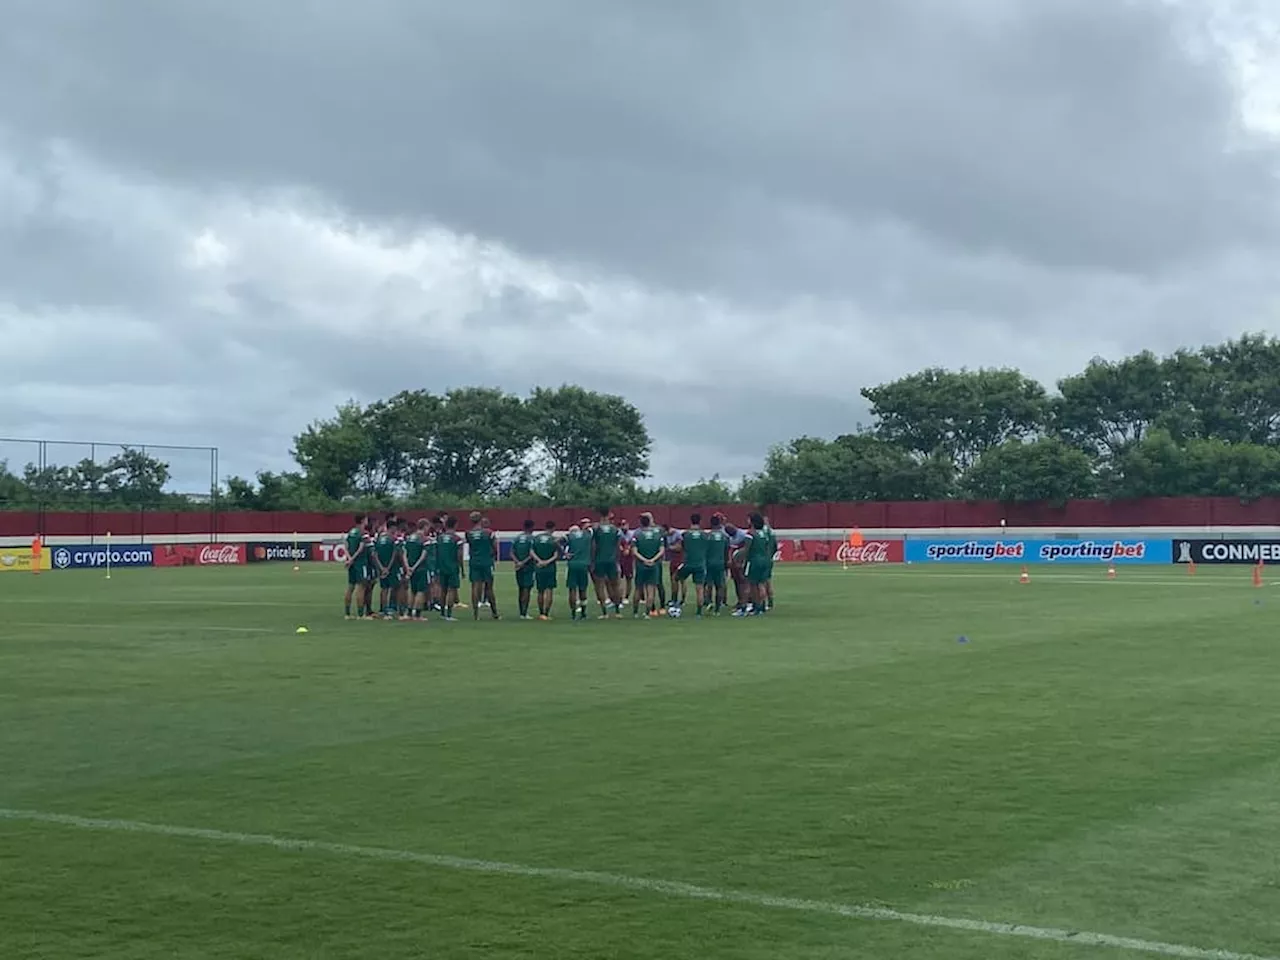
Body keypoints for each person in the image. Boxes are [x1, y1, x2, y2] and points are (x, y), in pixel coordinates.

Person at [739, 512, 776, 616]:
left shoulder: (750, 534)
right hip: (765, 560)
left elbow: (747, 550)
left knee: (751, 585)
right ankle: (762, 606)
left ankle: (753, 607)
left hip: (754, 561)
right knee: (762, 584)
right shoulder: (764, 533)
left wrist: (740, 559)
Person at [465, 511, 500, 620]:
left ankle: (476, 614)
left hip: (474, 561)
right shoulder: (489, 532)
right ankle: (494, 613)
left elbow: (471, 547)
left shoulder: (468, 533)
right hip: (486, 561)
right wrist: (493, 555)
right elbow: (495, 547)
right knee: (489, 587)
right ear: (481, 519)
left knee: (475, 586)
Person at [630, 512, 665, 617]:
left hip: (641, 565)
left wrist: (644, 560)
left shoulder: (637, 534)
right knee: (651, 590)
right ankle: (647, 613)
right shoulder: (657, 534)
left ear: (641, 523)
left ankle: (635, 613)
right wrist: (652, 560)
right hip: (654, 565)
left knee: (638, 588)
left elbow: (634, 551)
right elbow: (662, 550)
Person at [590, 508, 623, 618]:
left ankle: (604, 613)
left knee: (600, 586)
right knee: (615, 585)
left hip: (599, 560)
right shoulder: (615, 529)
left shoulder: (596, 529)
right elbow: (618, 546)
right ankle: (617, 611)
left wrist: (593, 560)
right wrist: (617, 559)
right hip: (612, 560)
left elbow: (594, 546)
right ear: (609, 515)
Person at [675, 512, 709, 617]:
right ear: (700, 521)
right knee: (699, 589)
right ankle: (699, 612)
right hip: (700, 564)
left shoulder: (686, 534)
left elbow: (680, 547)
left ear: (690, 521)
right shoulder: (705, 534)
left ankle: (677, 601)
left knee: (676, 578)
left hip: (688, 563)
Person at [435, 515, 463, 621]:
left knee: (443, 590)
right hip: (452, 567)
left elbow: (436, 552)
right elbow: (459, 555)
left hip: (441, 567)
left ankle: (442, 613)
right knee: (452, 590)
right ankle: (449, 614)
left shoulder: (440, 538)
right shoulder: (457, 539)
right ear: (455, 525)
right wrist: (462, 569)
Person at [531, 519, 560, 620]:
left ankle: (541, 613)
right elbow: (556, 555)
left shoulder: (537, 538)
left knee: (540, 591)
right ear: (553, 528)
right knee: (549, 590)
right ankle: (546, 613)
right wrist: (547, 562)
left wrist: (539, 561)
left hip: (539, 567)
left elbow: (531, 551)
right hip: (550, 568)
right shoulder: (553, 539)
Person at [563, 522, 593, 620]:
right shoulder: (587, 535)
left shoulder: (570, 536)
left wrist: (564, 553)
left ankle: (573, 613)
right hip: (584, 564)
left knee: (572, 589)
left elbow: (556, 541)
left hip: (572, 564)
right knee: (583, 589)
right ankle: (583, 612)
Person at [343, 513, 370, 620]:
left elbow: (345, 545)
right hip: (360, 563)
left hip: (351, 563)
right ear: (363, 520)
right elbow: (361, 548)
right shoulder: (363, 533)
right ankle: (360, 614)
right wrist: (353, 559)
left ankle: (347, 614)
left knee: (350, 587)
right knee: (361, 587)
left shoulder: (351, 532)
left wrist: (349, 559)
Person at [404, 519, 430, 621]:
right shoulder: (424, 539)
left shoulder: (410, 538)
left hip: (410, 567)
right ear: (425, 526)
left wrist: (408, 567)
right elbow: (423, 555)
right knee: (421, 591)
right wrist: (415, 566)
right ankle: (418, 615)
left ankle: (409, 613)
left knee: (412, 590)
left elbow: (405, 553)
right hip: (421, 568)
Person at [704, 514, 731, 615]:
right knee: (720, 585)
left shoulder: (707, 536)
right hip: (720, 563)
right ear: (719, 524)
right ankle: (718, 608)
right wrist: (727, 561)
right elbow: (727, 550)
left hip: (709, 563)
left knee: (708, 584)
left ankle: (709, 602)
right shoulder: (725, 537)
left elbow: (705, 550)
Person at [511, 518, 537, 619]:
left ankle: (521, 611)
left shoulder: (517, 538)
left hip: (518, 567)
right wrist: (523, 562)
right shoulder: (532, 539)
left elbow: (511, 552)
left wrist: (518, 562)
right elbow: (532, 554)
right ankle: (524, 613)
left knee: (521, 589)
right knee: (527, 588)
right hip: (528, 567)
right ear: (532, 527)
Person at [617, 517, 635, 602]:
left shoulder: (632, 534)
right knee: (619, 578)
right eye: (621, 525)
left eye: (624, 524)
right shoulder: (618, 534)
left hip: (629, 559)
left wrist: (628, 549)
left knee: (629, 578)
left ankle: (627, 597)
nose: (623, 527)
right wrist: (622, 549)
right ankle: (619, 596)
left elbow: (632, 544)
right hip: (620, 558)